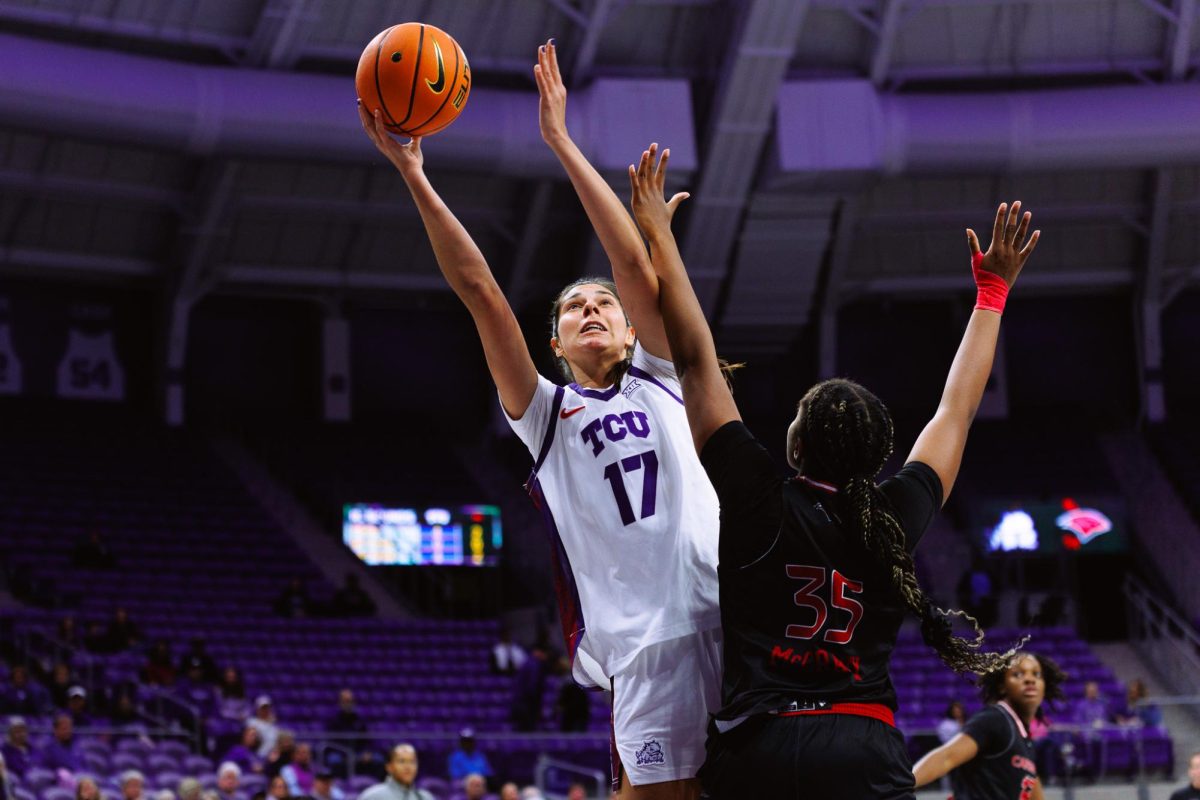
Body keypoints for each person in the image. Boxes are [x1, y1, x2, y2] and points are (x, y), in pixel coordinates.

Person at [358, 40, 723, 799]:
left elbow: (634, 267)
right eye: (571, 308)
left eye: (603, 306)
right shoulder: (548, 415)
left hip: (729, 616)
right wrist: (414, 175)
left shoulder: (664, 378)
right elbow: (482, 292)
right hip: (645, 646)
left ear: (629, 331)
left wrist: (561, 141)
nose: (591, 307)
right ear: (553, 343)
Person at [627, 145, 1040, 798]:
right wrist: (992, 293)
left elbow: (696, 359)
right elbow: (955, 413)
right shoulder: (894, 516)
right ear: (880, 455)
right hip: (863, 747)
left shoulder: (758, 494)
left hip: (761, 746)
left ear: (795, 446)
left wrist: (658, 238)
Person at [914, 653, 1065, 799]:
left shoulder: (1024, 737)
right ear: (1002, 686)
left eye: (1036, 674)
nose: (1030, 680)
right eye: (1018, 674)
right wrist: (902, 786)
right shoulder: (995, 718)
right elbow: (946, 757)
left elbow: (1034, 788)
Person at [357, 745, 434, 800]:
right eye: (402, 761)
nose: (408, 767)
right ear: (389, 767)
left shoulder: (425, 797)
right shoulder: (372, 796)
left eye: (412, 762)